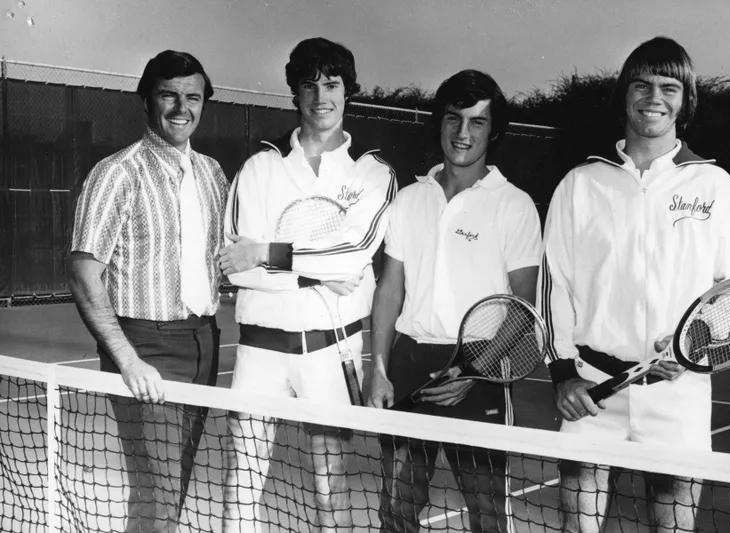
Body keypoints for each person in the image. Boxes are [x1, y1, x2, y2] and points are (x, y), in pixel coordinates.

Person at [539, 36, 730, 533]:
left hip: (677, 394)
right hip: (590, 392)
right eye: (641, 85)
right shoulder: (580, 184)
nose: (654, 97)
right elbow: (553, 286)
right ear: (624, 95)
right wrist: (561, 374)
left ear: (686, 102)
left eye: (669, 87)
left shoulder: (715, 188)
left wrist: (694, 344)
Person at [218, 37, 397, 533]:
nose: (322, 97)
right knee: (241, 485)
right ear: (295, 94)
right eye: (310, 85)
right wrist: (322, 271)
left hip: (331, 352)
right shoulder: (260, 167)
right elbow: (236, 266)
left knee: (331, 486)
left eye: (333, 84)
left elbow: (356, 257)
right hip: (259, 351)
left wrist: (268, 253)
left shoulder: (373, 172)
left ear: (349, 91)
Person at [367, 69, 542, 533]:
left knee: (487, 516)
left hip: (480, 369)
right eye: (453, 119)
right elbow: (390, 289)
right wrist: (378, 368)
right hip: (408, 364)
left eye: (477, 122)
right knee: (397, 511)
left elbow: (523, 305)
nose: (462, 133)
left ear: (495, 131)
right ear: (439, 123)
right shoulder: (409, 198)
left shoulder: (514, 205)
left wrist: (472, 367)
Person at [68, 50, 229, 533]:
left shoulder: (213, 173)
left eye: (193, 97)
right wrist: (128, 359)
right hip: (145, 345)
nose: (182, 108)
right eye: (168, 95)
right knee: (157, 491)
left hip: (204, 341)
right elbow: (83, 275)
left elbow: (226, 260)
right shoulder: (116, 172)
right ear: (146, 101)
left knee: (172, 487)